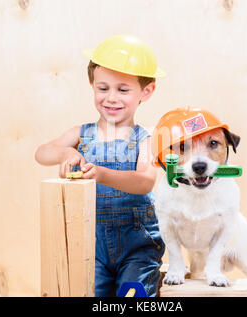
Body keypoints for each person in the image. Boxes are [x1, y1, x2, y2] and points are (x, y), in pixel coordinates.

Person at [35, 35, 166, 296]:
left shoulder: (145, 138)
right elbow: (42, 153)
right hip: (89, 242)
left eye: (123, 89)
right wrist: (64, 155)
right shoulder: (81, 133)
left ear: (146, 92)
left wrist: (102, 174)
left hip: (138, 244)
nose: (111, 98)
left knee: (134, 296)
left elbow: (145, 181)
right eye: (103, 88)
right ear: (92, 84)